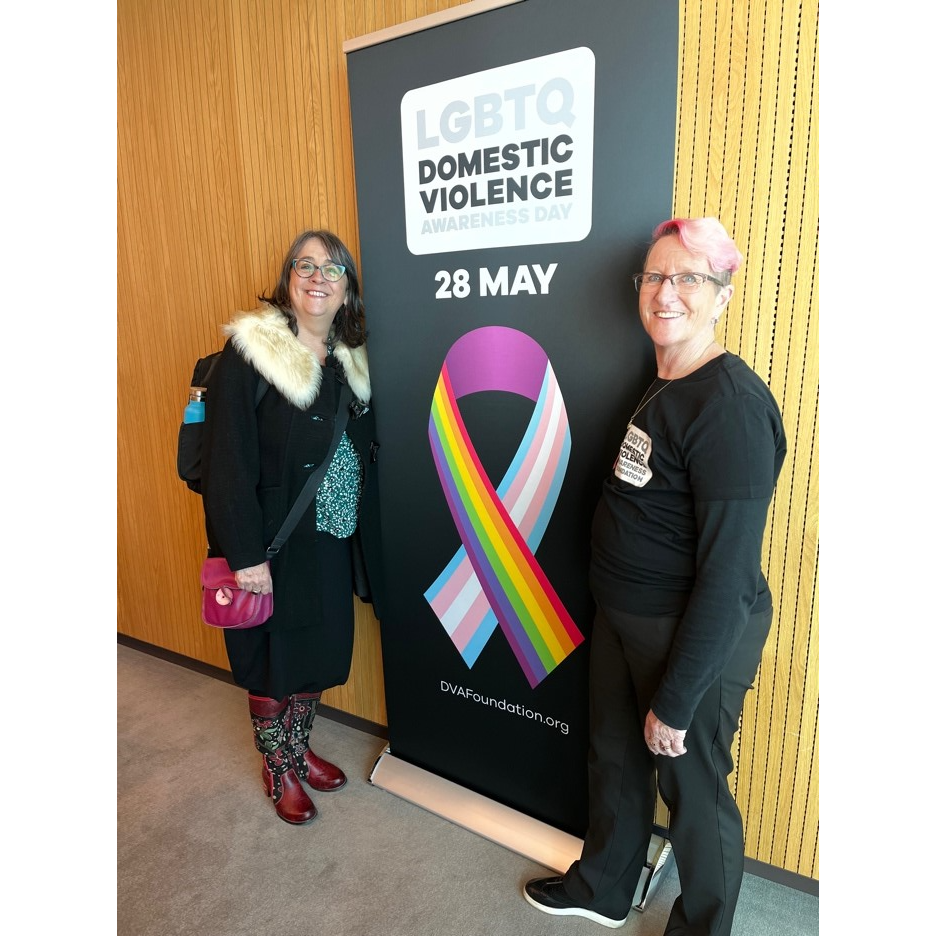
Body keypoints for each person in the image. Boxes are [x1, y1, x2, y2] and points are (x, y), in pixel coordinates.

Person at [524, 218, 787, 933]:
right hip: (622, 617)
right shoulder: (666, 380)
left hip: (688, 635)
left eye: (688, 279)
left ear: (722, 297)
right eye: (654, 277)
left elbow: (729, 575)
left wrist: (676, 698)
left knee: (694, 793)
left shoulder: (729, 407)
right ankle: (605, 887)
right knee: (613, 758)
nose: (666, 293)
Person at [200, 229, 384, 825]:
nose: (317, 277)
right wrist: (245, 554)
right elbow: (226, 459)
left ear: (346, 290)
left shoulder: (350, 363)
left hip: (329, 539)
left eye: (332, 270)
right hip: (271, 544)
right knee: (271, 657)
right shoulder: (251, 353)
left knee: (318, 650)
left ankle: (300, 750)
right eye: (304, 266)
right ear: (287, 280)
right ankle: (278, 765)